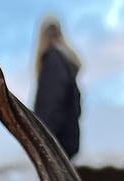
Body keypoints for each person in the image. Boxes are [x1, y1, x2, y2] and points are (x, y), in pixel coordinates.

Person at [32, 15, 81, 160]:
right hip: (66, 139)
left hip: (55, 142)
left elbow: (52, 102)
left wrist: (43, 136)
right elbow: (77, 106)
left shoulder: (52, 61)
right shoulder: (65, 63)